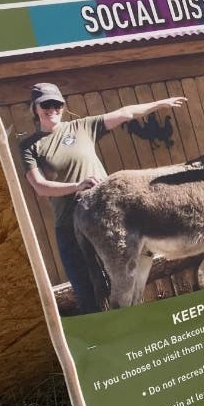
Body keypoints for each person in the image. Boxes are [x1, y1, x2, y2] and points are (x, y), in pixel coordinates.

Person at [20, 82, 187, 314]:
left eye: (57, 104)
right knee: (86, 292)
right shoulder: (30, 146)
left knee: (122, 282)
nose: (52, 109)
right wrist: (76, 186)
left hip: (105, 221)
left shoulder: (82, 127)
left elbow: (125, 113)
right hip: (68, 225)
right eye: (46, 104)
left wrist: (159, 104)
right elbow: (40, 186)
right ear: (35, 108)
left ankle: (134, 327)